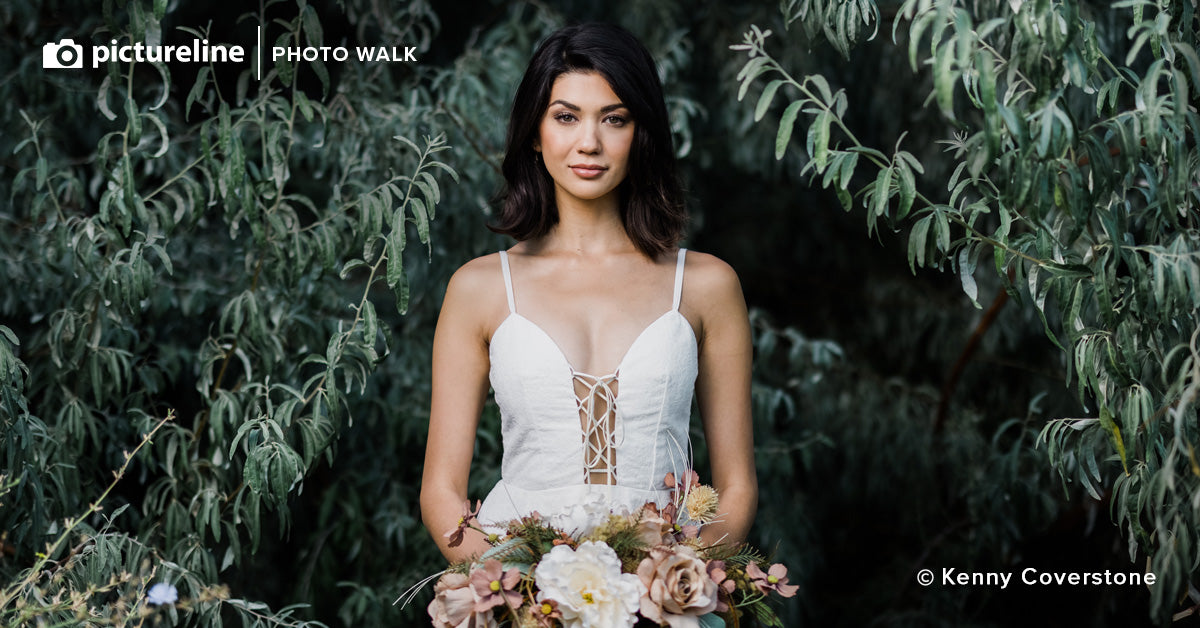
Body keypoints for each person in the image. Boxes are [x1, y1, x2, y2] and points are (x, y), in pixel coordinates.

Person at [420, 22, 756, 564]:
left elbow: (737, 489)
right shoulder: (479, 288)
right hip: (519, 599)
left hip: (666, 597)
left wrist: (669, 586)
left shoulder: (705, 285)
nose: (589, 142)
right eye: (566, 116)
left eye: (614, 119)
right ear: (535, 131)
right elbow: (440, 493)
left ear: (640, 132)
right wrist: (520, 594)